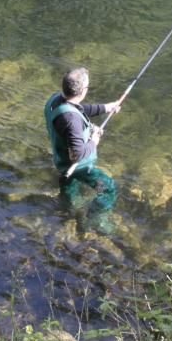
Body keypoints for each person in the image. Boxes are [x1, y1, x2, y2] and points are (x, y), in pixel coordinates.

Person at [44, 67, 123, 234]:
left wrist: (106, 108)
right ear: (83, 91)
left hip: (61, 161)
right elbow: (77, 154)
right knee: (109, 187)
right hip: (78, 166)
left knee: (69, 190)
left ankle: (67, 212)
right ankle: (95, 218)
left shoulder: (55, 100)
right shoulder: (72, 120)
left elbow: (77, 109)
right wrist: (94, 141)